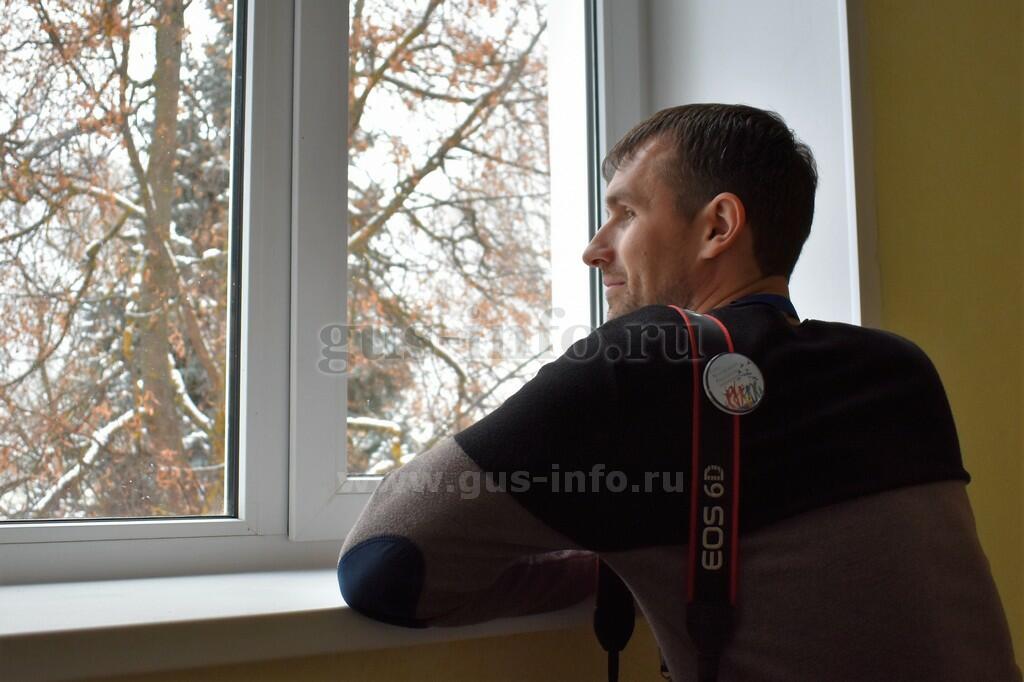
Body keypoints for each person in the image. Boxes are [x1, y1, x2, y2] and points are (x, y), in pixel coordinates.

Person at [337, 104, 1021, 680]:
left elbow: (383, 564)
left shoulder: (646, 363)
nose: (594, 249)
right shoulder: (900, 370)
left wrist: (598, 555)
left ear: (718, 227)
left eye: (625, 213)